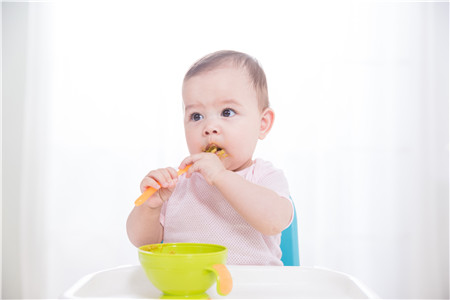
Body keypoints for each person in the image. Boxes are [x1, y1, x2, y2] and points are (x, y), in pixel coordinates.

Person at [126, 50, 293, 265]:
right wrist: (150, 207)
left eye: (227, 112)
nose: (209, 127)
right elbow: (142, 241)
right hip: (187, 291)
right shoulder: (177, 185)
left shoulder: (265, 177)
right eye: (196, 116)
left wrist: (222, 177)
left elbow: (274, 221)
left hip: (252, 289)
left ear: (262, 124)